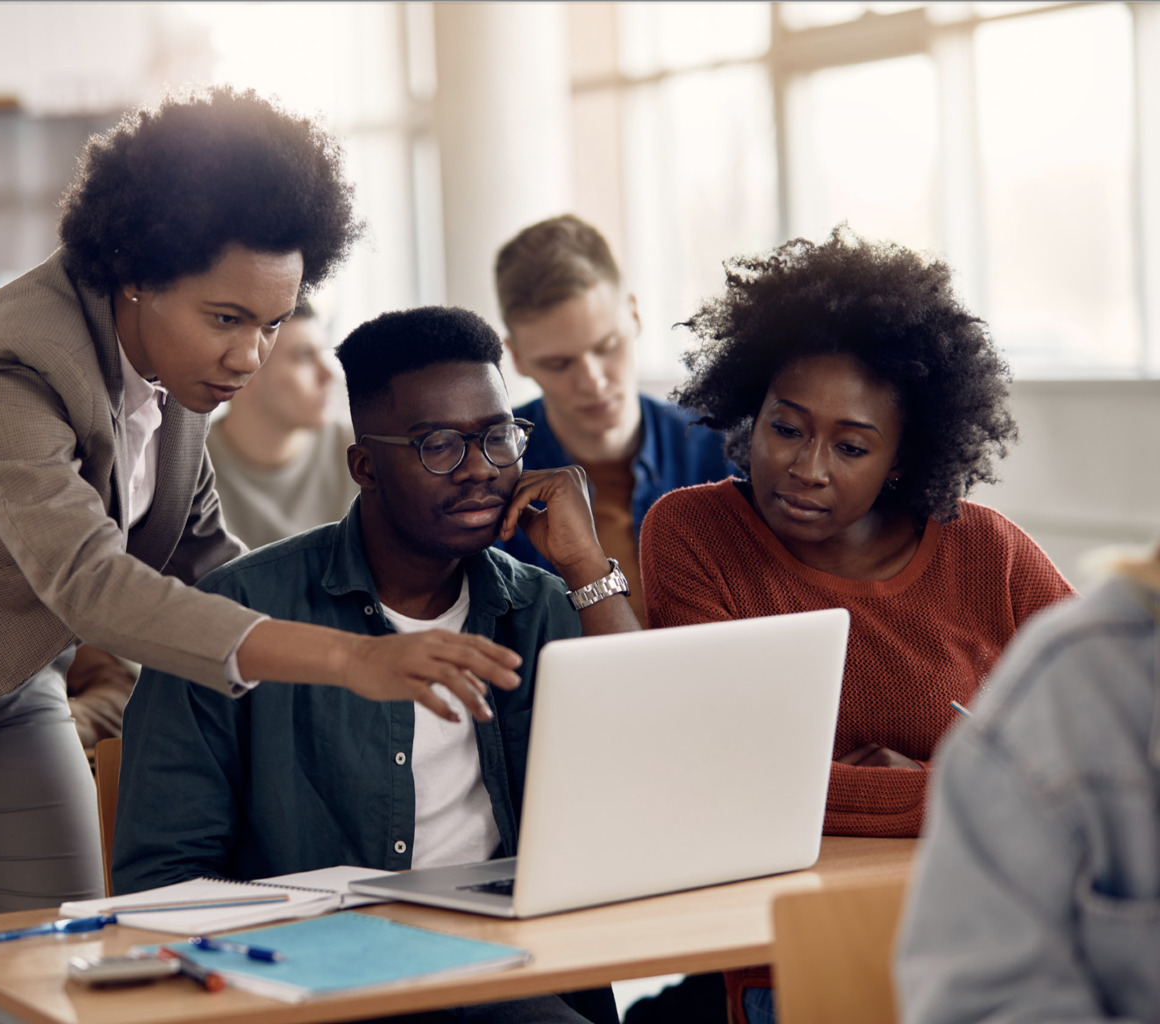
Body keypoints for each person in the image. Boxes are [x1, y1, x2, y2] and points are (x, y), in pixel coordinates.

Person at [0, 89, 525, 1024]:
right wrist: (354, 658)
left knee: (66, 977)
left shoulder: (173, 379)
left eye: (272, 324)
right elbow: (93, 584)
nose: (251, 357)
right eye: (227, 318)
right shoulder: (8, 361)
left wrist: (381, 607)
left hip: (5, 674)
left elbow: (208, 565)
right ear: (136, 274)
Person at [116, 306, 637, 1024]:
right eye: (438, 447)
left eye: (497, 438)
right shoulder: (236, 617)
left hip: (508, 972)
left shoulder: (542, 607)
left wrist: (586, 566)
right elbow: (162, 884)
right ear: (365, 466)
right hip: (314, 986)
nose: (481, 470)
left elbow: (646, 797)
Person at [637, 227, 1075, 1024]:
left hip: (993, 936)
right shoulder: (695, 533)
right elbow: (726, 784)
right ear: (752, 410)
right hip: (789, 952)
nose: (807, 468)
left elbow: (1105, 745)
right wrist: (968, 793)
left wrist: (836, 785)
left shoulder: (988, 550)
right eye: (787, 427)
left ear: (902, 458)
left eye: (852, 446)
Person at [895, 542, 1156, 1024]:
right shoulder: (1082, 672)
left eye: (853, 457)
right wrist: (930, 785)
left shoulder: (990, 546)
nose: (812, 472)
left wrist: (925, 781)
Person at [494, 214, 732, 625]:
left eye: (607, 346)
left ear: (634, 314)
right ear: (516, 357)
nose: (593, 380)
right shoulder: (491, 474)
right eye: (558, 363)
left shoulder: (723, 447)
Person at [206, 298, 358, 550]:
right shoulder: (187, 469)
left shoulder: (361, 451)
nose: (329, 374)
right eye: (303, 357)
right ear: (245, 371)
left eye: (323, 353)